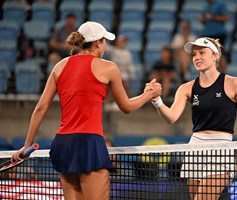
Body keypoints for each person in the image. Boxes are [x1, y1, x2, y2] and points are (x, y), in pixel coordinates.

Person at [11, 21, 161, 200]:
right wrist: (149, 93)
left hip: (63, 144)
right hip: (89, 142)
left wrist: (27, 145)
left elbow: (40, 108)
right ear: (98, 43)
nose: (105, 45)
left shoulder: (59, 66)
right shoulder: (109, 67)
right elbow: (126, 107)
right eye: (104, 41)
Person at [149, 37, 237, 200]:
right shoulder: (186, 88)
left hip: (221, 148)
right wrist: (157, 101)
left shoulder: (233, 83)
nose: (196, 57)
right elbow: (171, 117)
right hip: (195, 148)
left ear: (215, 55)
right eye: (194, 54)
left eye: (202, 53)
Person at [198, 0, 229, 73]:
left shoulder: (220, 4)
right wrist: (202, 19)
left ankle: (224, 75)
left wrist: (213, 17)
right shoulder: (205, 6)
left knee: (220, 55)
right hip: (207, 34)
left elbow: (226, 18)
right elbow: (205, 20)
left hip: (218, 34)